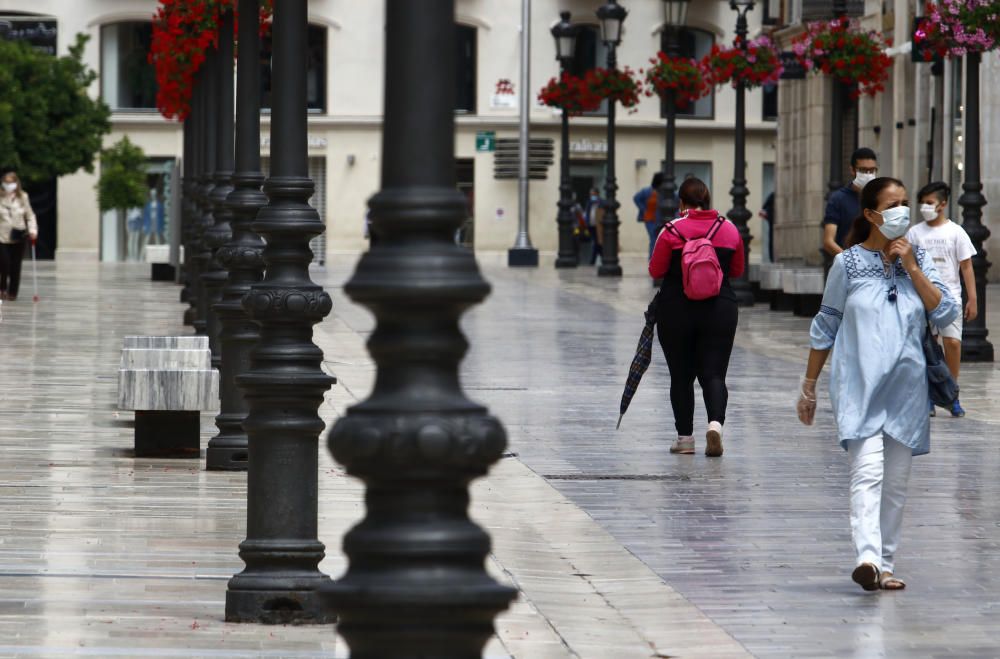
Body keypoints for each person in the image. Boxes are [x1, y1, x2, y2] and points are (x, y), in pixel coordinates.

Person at [797, 177, 958, 592]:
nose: (903, 211)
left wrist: (913, 268)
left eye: (906, 203)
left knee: (896, 486)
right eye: (893, 205)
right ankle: (867, 558)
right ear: (870, 214)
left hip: (907, 393)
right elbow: (826, 324)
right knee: (867, 473)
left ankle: (886, 564)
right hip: (859, 388)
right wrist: (809, 386)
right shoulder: (847, 264)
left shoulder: (917, 256)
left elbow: (944, 314)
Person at [649, 177, 744, 457]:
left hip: (676, 308)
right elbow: (737, 271)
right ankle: (715, 425)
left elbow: (656, 270)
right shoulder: (729, 229)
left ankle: (685, 439)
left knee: (681, 376)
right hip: (720, 308)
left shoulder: (670, 230)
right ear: (708, 200)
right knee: (714, 373)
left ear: (681, 202)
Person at [907, 181, 977, 417]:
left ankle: (951, 393)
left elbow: (966, 266)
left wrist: (972, 299)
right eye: (922, 203)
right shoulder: (914, 233)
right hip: (922, 298)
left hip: (951, 299)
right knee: (927, 347)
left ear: (943, 204)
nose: (925, 207)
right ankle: (928, 394)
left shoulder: (956, 232)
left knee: (953, 344)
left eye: (930, 202)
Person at [822, 147, 878, 277]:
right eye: (863, 170)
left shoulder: (880, 198)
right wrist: (852, 262)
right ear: (852, 170)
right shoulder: (838, 199)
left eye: (872, 170)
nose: (869, 174)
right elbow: (828, 242)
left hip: (877, 270)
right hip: (847, 271)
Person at [0, 170, 38, 302]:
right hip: (2, 236)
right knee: (4, 263)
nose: (8, 185)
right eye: (6, 182)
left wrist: (33, 230)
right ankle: (2, 287)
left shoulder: (23, 197)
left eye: (11, 182)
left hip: (18, 235)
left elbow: (30, 215)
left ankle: (12, 292)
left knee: (16, 265)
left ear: (16, 183)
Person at [634, 173, 663, 258]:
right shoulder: (647, 191)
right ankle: (652, 260)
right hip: (649, 219)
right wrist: (644, 210)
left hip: (660, 219)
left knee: (658, 239)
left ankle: (656, 259)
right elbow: (636, 198)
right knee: (654, 238)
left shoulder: (663, 192)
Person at [585, 187, 604, 265]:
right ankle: (602, 258)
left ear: (597, 194)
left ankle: (593, 261)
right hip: (591, 225)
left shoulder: (601, 202)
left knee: (596, 242)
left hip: (598, 226)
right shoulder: (589, 202)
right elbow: (587, 213)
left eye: (593, 194)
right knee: (597, 243)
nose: (592, 195)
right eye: (591, 194)